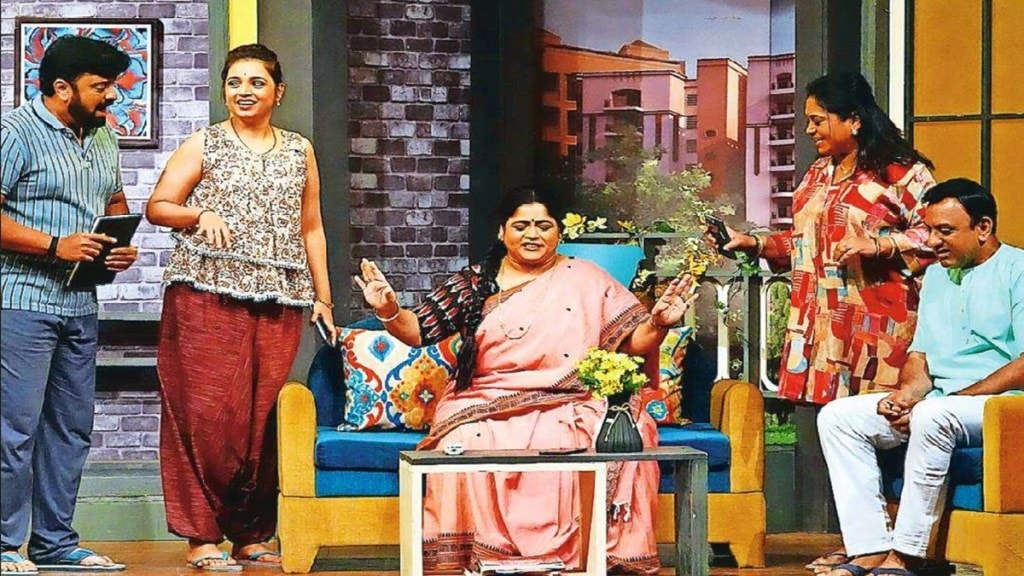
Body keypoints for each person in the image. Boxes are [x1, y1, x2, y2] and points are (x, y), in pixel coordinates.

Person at [355, 186, 697, 574]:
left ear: (558, 232)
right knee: (462, 440)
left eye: (543, 225)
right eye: (521, 226)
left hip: (570, 398)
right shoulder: (473, 283)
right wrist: (388, 309)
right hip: (486, 400)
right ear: (502, 231)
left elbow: (633, 342)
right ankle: (482, 558)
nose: (532, 234)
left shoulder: (586, 278)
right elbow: (418, 330)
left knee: (626, 429)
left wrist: (659, 322)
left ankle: (591, 558)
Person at [711, 72, 938, 572]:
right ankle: (861, 542)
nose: (810, 129)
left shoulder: (903, 173)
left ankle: (898, 548)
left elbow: (938, 235)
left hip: (880, 325)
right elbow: (803, 243)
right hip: (822, 322)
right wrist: (754, 242)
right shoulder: (818, 172)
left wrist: (881, 244)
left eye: (818, 120)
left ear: (853, 120)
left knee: (886, 427)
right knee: (837, 428)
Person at [146, 44, 336, 571]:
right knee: (207, 415)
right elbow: (158, 206)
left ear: (279, 91)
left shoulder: (299, 149)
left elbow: (312, 228)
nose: (244, 91)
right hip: (205, 293)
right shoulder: (205, 143)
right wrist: (197, 215)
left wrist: (323, 297)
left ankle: (250, 534)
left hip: (279, 297)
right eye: (234, 82)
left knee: (261, 417)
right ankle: (201, 536)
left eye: (256, 82)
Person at [815, 178, 1023, 576]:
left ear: (983, 227)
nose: (932, 241)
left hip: (1004, 406)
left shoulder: (1019, 271)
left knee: (931, 415)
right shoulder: (938, 277)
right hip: (943, 403)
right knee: (839, 417)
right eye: (929, 230)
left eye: (945, 231)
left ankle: (908, 554)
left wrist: (948, 401)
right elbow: (921, 355)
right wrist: (907, 395)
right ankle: (870, 546)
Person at [1, 36, 136, 574]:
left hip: (80, 304)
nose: (112, 96)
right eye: (101, 87)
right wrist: (56, 245)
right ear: (62, 88)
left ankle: (55, 544)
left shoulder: (103, 137)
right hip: (20, 302)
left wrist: (120, 243)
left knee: (71, 429)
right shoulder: (14, 133)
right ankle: (5, 544)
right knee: (15, 428)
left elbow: (115, 201)